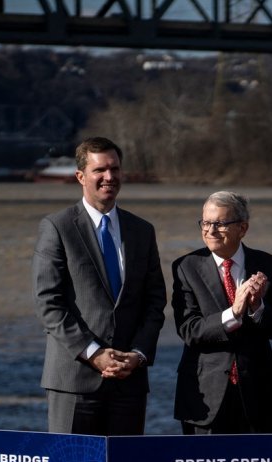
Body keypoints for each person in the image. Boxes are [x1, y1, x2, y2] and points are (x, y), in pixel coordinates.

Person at [32, 136, 166, 435]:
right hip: (74, 382)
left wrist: (139, 354)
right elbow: (48, 304)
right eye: (100, 170)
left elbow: (155, 302)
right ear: (80, 176)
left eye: (115, 169)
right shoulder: (57, 227)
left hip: (129, 382)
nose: (110, 177)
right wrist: (94, 353)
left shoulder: (142, 231)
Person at [172, 191, 272, 434]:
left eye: (220, 224)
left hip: (258, 395)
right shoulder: (185, 267)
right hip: (204, 397)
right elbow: (189, 330)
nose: (210, 230)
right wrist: (233, 313)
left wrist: (257, 308)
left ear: (242, 228)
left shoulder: (270, 266)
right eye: (205, 222)